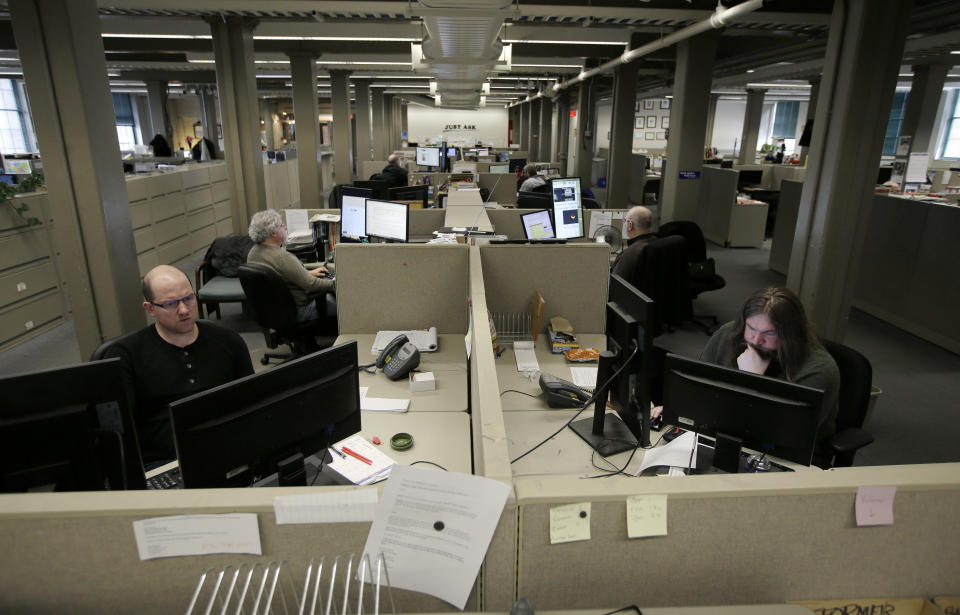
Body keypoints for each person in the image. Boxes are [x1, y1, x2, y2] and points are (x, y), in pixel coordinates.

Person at [657, 286, 841, 465]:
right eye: (751, 328)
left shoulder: (818, 370)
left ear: (790, 335)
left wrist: (751, 380)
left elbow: (776, 434)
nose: (756, 340)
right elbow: (699, 388)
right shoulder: (727, 336)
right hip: (720, 439)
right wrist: (681, 408)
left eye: (769, 333)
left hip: (783, 458)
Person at [104, 265, 254, 464]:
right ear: (150, 309)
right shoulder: (126, 355)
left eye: (188, 299)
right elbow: (117, 431)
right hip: (164, 462)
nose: (184, 310)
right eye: (171, 304)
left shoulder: (228, 341)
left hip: (227, 451)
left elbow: (253, 401)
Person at [246, 209, 335, 323]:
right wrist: (336, 283)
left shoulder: (253, 253)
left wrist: (306, 273)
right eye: (282, 225)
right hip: (300, 311)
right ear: (273, 233)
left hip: (274, 311)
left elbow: (277, 277)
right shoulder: (282, 257)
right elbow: (311, 285)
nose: (285, 227)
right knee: (343, 303)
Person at [611, 206, 655, 277]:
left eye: (625, 220)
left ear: (630, 225)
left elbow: (615, 283)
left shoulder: (629, 253)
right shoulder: (658, 244)